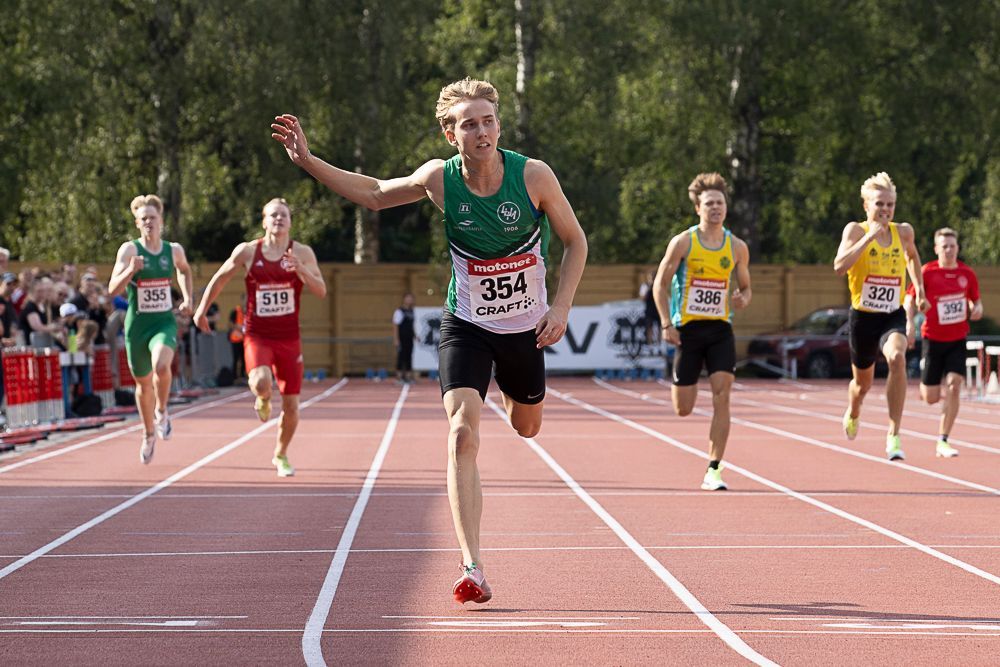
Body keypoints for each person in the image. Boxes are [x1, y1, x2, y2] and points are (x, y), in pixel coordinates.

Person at [272, 77, 588, 604]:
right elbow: (374, 195)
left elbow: (576, 241)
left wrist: (560, 307)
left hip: (524, 330)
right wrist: (308, 161)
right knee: (462, 433)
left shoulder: (532, 176)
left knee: (526, 426)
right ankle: (473, 565)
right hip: (465, 324)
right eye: (469, 123)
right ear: (450, 134)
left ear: (498, 126)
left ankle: (515, 396)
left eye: (488, 120)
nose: (481, 131)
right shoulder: (440, 180)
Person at [194, 198, 327, 477]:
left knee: (291, 405)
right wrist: (201, 310)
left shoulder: (301, 252)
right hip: (258, 335)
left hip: (289, 338)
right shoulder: (247, 252)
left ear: (290, 222)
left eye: (284, 216)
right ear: (264, 221)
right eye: (273, 215)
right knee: (261, 381)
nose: (279, 219)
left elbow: (321, 290)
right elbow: (220, 278)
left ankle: (280, 454)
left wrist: (299, 269)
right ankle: (263, 396)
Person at [652, 173, 752, 492]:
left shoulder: (737, 247)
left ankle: (714, 468)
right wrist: (667, 323)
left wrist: (742, 298)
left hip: (721, 329)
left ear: (726, 207)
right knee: (684, 407)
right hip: (689, 332)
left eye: (720, 203)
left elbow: (747, 288)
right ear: (698, 208)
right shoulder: (684, 242)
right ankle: (682, 383)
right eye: (709, 203)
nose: (715, 208)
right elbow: (661, 285)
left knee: (723, 395)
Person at [834, 172, 928, 461]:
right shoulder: (856, 231)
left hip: (892, 314)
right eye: (879, 204)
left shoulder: (904, 233)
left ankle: (893, 433)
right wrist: (869, 238)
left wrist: (920, 288)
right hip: (863, 317)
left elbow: (912, 257)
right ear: (866, 206)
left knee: (897, 358)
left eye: (890, 205)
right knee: (862, 384)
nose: (885, 210)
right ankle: (854, 410)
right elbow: (839, 266)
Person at [108, 194, 194, 464]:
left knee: (161, 366)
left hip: (163, 322)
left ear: (161, 221)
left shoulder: (173, 250)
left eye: (152, 218)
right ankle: (147, 434)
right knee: (143, 384)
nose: (148, 222)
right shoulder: (130, 251)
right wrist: (131, 271)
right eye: (143, 219)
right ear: (137, 223)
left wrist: (189, 298)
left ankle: (162, 410)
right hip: (137, 325)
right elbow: (113, 290)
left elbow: (184, 271)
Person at [904, 228, 982, 457]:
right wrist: (909, 324)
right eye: (944, 246)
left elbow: (976, 302)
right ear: (937, 249)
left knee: (955, 385)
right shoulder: (927, 272)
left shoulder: (967, 274)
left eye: (952, 246)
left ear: (958, 248)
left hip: (957, 339)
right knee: (930, 397)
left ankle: (943, 439)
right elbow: (909, 299)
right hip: (932, 339)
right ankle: (930, 389)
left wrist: (976, 309)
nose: (949, 250)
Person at [392, 292, 417, 384]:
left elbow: (412, 326)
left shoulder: (411, 311)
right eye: (408, 298)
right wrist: (396, 339)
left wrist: (415, 335)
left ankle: (408, 377)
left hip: (409, 338)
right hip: (401, 338)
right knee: (401, 357)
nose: (409, 300)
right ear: (404, 299)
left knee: (408, 357)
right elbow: (395, 326)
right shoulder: (399, 311)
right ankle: (398, 378)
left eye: (411, 298)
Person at [228, 294, 247, 379]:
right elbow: (231, 323)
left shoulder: (249, 311)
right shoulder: (236, 311)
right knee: (236, 359)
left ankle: (243, 376)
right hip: (236, 340)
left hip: (245, 340)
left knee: (244, 359)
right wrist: (240, 328)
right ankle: (234, 377)